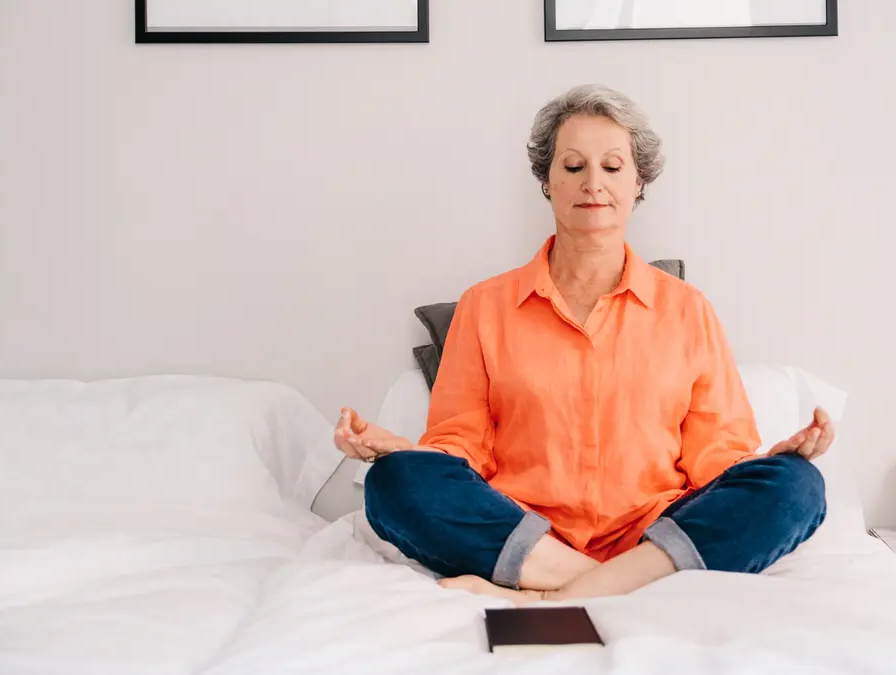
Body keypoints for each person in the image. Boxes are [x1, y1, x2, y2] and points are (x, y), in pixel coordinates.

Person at [334, 84, 835, 605]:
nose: (593, 183)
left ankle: (552, 595)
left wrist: (764, 465)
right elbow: (462, 446)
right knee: (393, 484)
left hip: (656, 531)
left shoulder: (687, 309)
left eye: (612, 167)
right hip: (522, 532)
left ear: (639, 181)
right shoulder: (484, 306)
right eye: (573, 167)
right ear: (546, 182)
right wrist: (407, 453)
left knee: (797, 486)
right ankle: (619, 585)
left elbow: (717, 455)